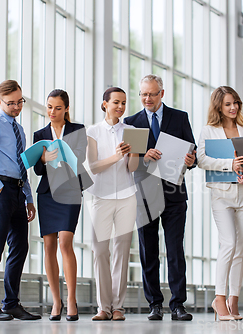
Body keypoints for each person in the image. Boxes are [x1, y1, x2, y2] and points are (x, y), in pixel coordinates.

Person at [124, 74, 196, 321]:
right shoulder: (131, 123)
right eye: (143, 94)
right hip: (144, 193)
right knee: (148, 251)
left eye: (152, 94)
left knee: (175, 250)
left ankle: (178, 305)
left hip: (174, 193)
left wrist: (191, 159)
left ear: (162, 94)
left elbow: (192, 151)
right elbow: (130, 164)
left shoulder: (180, 117)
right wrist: (144, 157)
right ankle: (155, 304)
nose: (147, 98)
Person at [0, 80, 41, 321]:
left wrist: (28, 198)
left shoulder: (18, 129)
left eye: (19, 101)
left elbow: (22, 165)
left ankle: (11, 303)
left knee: (20, 247)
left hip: (18, 191)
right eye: (11, 103)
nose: (16, 106)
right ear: (0, 101)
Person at [196, 86, 243, 321]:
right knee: (228, 243)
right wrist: (229, 165)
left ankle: (234, 300)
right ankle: (219, 298)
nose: (233, 108)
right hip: (221, 194)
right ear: (219, 106)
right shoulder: (208, 131)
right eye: (228, 104)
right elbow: (201, 160)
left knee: (241, 250)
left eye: (236, 103)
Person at [33, 89, 88, 321]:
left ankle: (72, 298)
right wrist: (44, 158)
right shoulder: (40, 134)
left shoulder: (77, 130)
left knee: (65, 242)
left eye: (57, 107)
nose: (52, 112)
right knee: (48, 247)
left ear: (66, 108)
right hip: (47, 193)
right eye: (49, 107)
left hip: (69, 190)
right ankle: (56, 301)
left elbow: (80, 159)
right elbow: (36, 169)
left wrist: (61, 154)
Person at [86, 87, 139, 321]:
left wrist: (131, 155)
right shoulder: (93, 131)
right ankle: (103, 306)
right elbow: (93, 167)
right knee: (100, 252)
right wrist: (117, 156)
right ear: (105, 104)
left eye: (124, 103)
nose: (120, 106)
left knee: (122, 251)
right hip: (101, 197)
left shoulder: (133, 131)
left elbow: (133, 168)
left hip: (127, 197)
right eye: (116, 102)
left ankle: (118, 307)